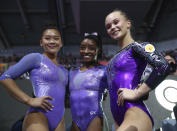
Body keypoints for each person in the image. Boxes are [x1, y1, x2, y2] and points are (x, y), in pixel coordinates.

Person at [105, 9, 168, 131]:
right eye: (108, 26)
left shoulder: (137, 47)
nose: (112, 27)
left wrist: (138, 92)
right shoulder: (113, 59)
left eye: (116, 22)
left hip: (134, 112)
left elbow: (163, 66)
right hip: (117, 118)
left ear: (128, 23)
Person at [0, 26, 68, 131]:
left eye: (56, 38)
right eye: (47, 38)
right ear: (41, 42)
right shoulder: (35, 58)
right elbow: (5, 77)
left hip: (60, 120)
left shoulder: (64, 70)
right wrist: (29, 100)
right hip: (38, 116)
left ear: (61, 43)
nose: (52, 41)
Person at [69, 32, 108, 131]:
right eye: (82, 48)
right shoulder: (72, 73)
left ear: (98, 51)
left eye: (91, 48)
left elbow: (118, 88)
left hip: (94, 118)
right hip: (75, 121)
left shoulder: (104, 71)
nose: (86, 51)